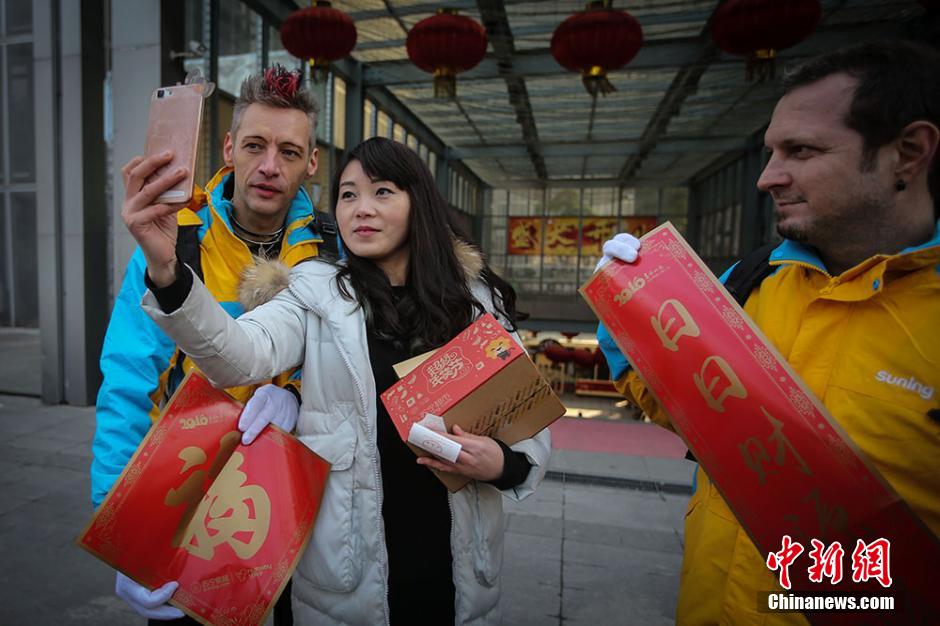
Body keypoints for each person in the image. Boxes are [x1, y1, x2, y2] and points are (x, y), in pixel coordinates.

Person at [120, 135, 552, 624]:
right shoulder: (315, 291)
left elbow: (528, 425)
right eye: (348, 195)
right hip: (347, 578)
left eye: (382, 192)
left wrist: (500, 464)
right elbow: (237, 356)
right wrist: (166, 269)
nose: (361, 209)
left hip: (454, 572)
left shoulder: (475, 303)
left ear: (420, 203)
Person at [597, 40, 939, 625]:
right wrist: (624, 314)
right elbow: (682, 413)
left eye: (800, 151)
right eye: (770, 151)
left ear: (907, 153)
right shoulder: (746, 283)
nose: (766, 178)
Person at [91, 66, 336, 623]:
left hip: (301, 507)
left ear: (312, 162)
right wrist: (122, 531)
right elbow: (128, 382)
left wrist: (295, 391)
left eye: (290, 151)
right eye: (255, 145)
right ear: (229, 147)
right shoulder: (172, 239)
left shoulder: (332, 248)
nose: (270, 166)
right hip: (192, 496)